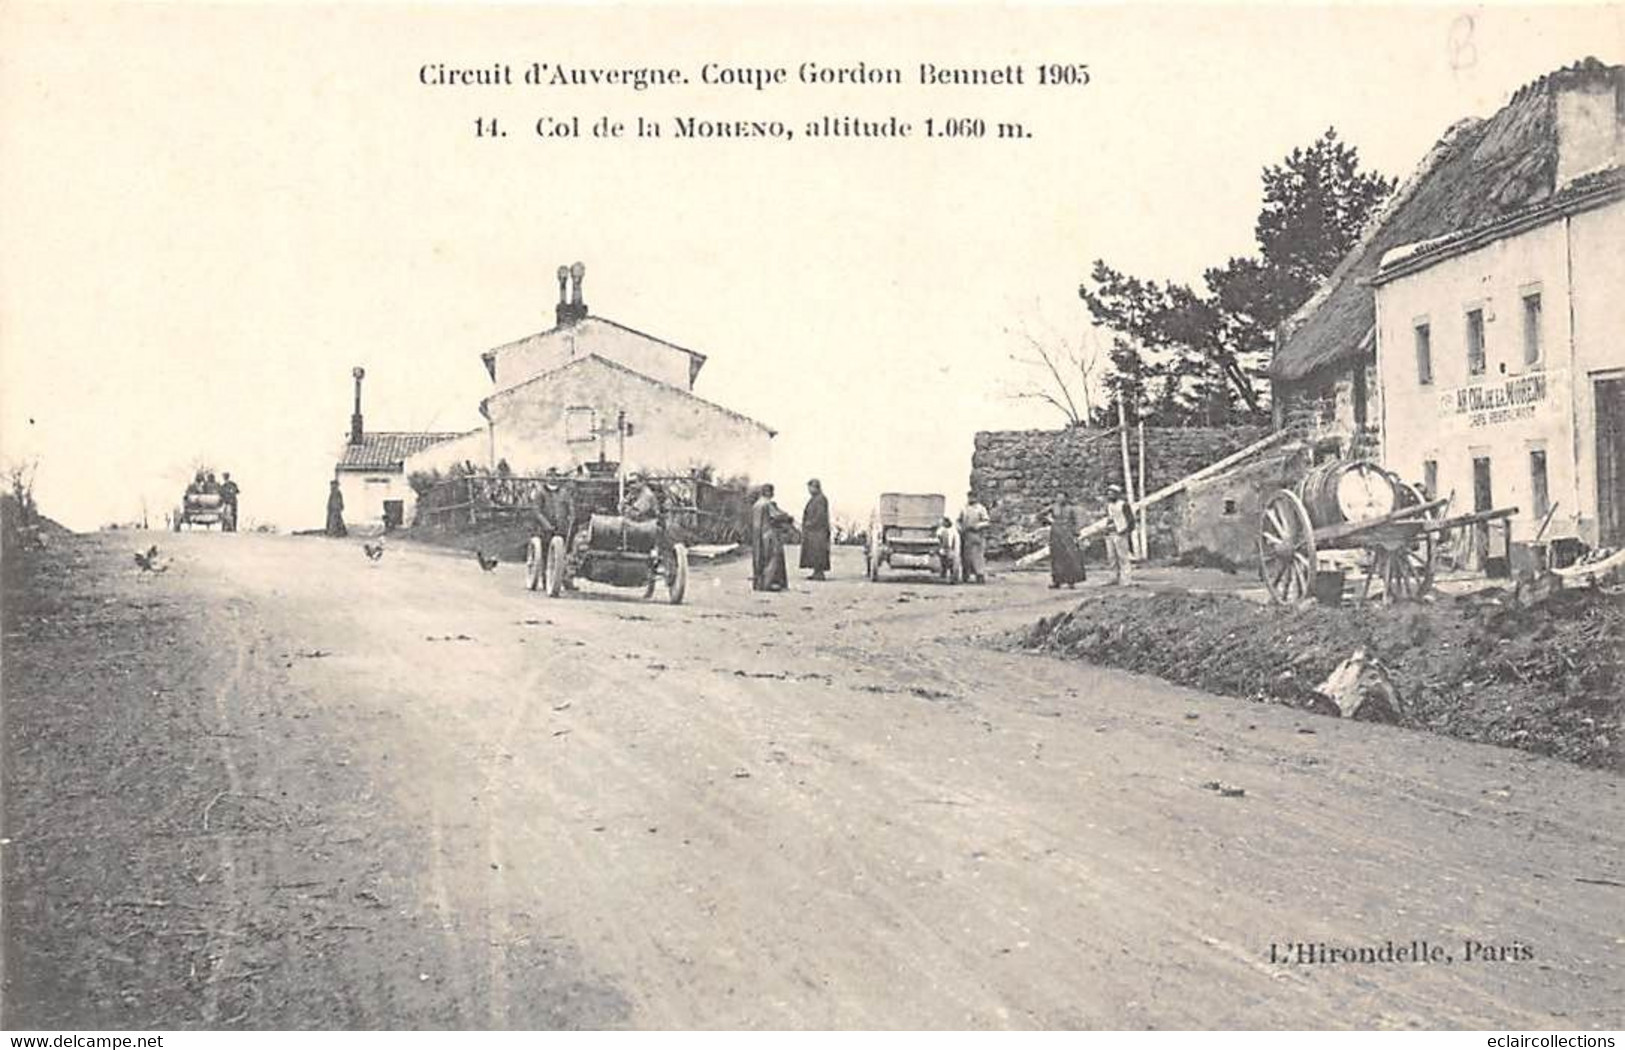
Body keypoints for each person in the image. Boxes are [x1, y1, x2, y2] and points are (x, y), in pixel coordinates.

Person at [749, 484, 792, 592]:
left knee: (759, 559)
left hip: (757, 535)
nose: (773, 494)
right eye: (772, 491)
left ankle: (759, 584)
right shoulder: (768, 504)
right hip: (769, 534)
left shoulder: (756, 505)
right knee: (772, 559)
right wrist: (787, 517)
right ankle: (769, 583)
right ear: (768, 492)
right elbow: (776, 516)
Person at [1046, 490, 1086, 589]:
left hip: (1068, 535)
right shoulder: (1053, 507)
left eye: (1062, 497)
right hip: (1055, 535)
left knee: (1070, 557)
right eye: (1058, 497)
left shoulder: (1071, 509)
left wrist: (1076, 532)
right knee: (1056, 557)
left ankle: (1071, 581)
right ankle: (1057, 581)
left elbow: (1076, 521)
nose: (1060, 499)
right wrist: (1050, 521)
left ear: (1066, 498)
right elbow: (1040, 515)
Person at [800, 478, 831, 581]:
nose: (809, 490)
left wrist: (810, 523)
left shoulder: (821, 499)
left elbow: (820, 515)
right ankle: (816, 572)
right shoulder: (815, 499)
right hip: (814, 531)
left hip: (818, 531)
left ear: (816, 487)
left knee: (818, 552)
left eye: (810, 488)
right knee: (814, 552)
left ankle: (819, 573)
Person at [1105, 484, 1136, 585]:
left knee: (1123, 557)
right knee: (1112, 557)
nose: (1110, 496)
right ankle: (1113, 578)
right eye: (1109, 494)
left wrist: (1124, 531)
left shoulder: (1123, 505)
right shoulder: (1109, 505)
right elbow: (1109, 519)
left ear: (1117, 494)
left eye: (1112, 494)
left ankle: (1127, 579)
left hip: (1120, 533)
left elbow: (1131, 521)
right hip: (1110, 533)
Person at [957, 491, 990, 584]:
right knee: (965, 556)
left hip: (977, 535)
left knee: (977, 556)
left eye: (973, 497)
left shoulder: (981, 509)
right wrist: (959, 528)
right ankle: (965, 575)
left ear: (977, 498)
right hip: (965, 535)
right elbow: (958, 521)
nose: (971, 499)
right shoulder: (964, 508)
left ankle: (979, 575)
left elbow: (987, 521)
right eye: (970, 497)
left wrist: (978, 526)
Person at [936, 516, 961, 583]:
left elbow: (955, 541)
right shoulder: (941, 530)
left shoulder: (952, 531)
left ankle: (953, 578)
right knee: (945, 562)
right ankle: (944, 574)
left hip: (951, 549)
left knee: (952, 563)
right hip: (945, 549)